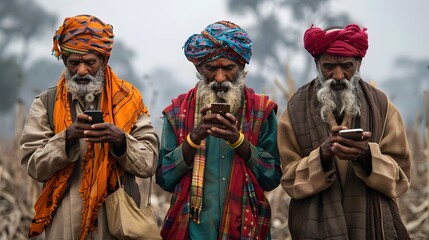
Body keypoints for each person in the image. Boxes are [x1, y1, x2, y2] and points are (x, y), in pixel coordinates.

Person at [19, 15, 159, 239]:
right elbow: (34, 166)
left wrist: (120, 140)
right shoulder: (45, 103)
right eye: (74, 62)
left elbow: (148, 163)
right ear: (64, 61)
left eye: (90, 62)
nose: (81, 71)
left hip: (117, 223)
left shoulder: (128, 99)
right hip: (65, 225)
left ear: (104, 61)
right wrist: (68, 137)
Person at [278, 24, 411, 239]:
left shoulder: (383, 107)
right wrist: (323, 155)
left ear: (358, 64)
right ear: (317, 64)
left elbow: (401, 177)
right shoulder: (294, 110)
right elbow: (289, 179)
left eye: (347, 66)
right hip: (315, 229)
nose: (338, 75)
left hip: (372, 227)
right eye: (329, 66)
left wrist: (366, 156)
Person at [156, 20, 281, 240]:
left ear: (242, 68)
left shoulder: (262, 111)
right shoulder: (177, 113)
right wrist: (194, 138)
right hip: (191, 232)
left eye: (228, 68)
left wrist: (238, 140)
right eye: (211, 69)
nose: (220, 78)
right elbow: (164, 179)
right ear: (198, 68)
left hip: (246, 230)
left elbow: (272, 177)